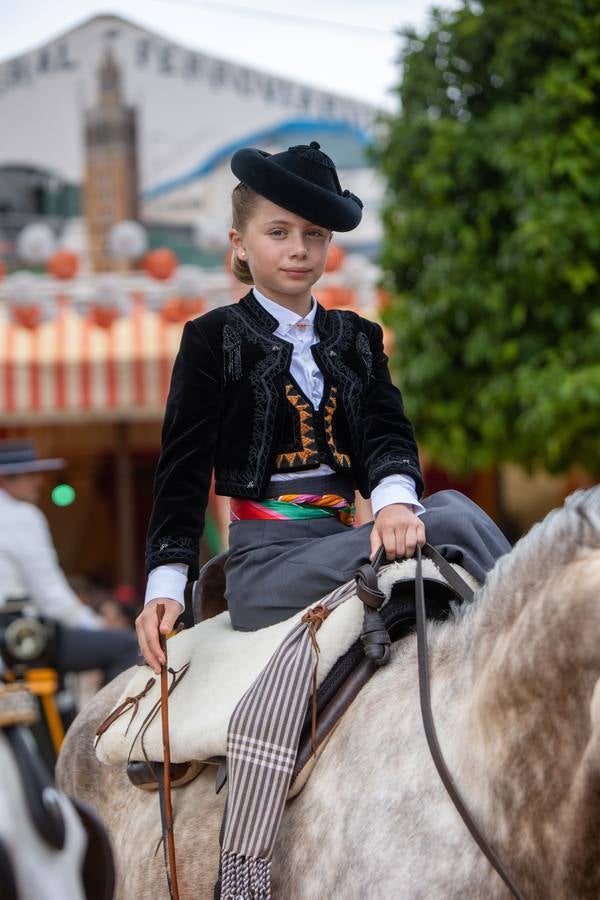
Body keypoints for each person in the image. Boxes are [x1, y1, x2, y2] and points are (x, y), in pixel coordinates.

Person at [136, 140, 511, 673]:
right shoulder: (211, 338)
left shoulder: (358, 337)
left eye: (314, 234)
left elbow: (386, 431)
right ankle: (535, 632)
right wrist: (166, 584)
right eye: (278, 232)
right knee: (449, 521)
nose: (298, 248)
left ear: (329, 244)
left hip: (346, 544)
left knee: (448, 508)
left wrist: (394, 504)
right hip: (266, 567)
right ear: (239, 244)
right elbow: (182, 469)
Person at [0, 440, 138, 684]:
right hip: (18, 639)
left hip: (17, 638)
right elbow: (50, 595)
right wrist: (94, 624)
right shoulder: (22, 516)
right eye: (30, 475)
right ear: (6, 479)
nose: (39, 482)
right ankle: (111, 721)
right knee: (125, 645)